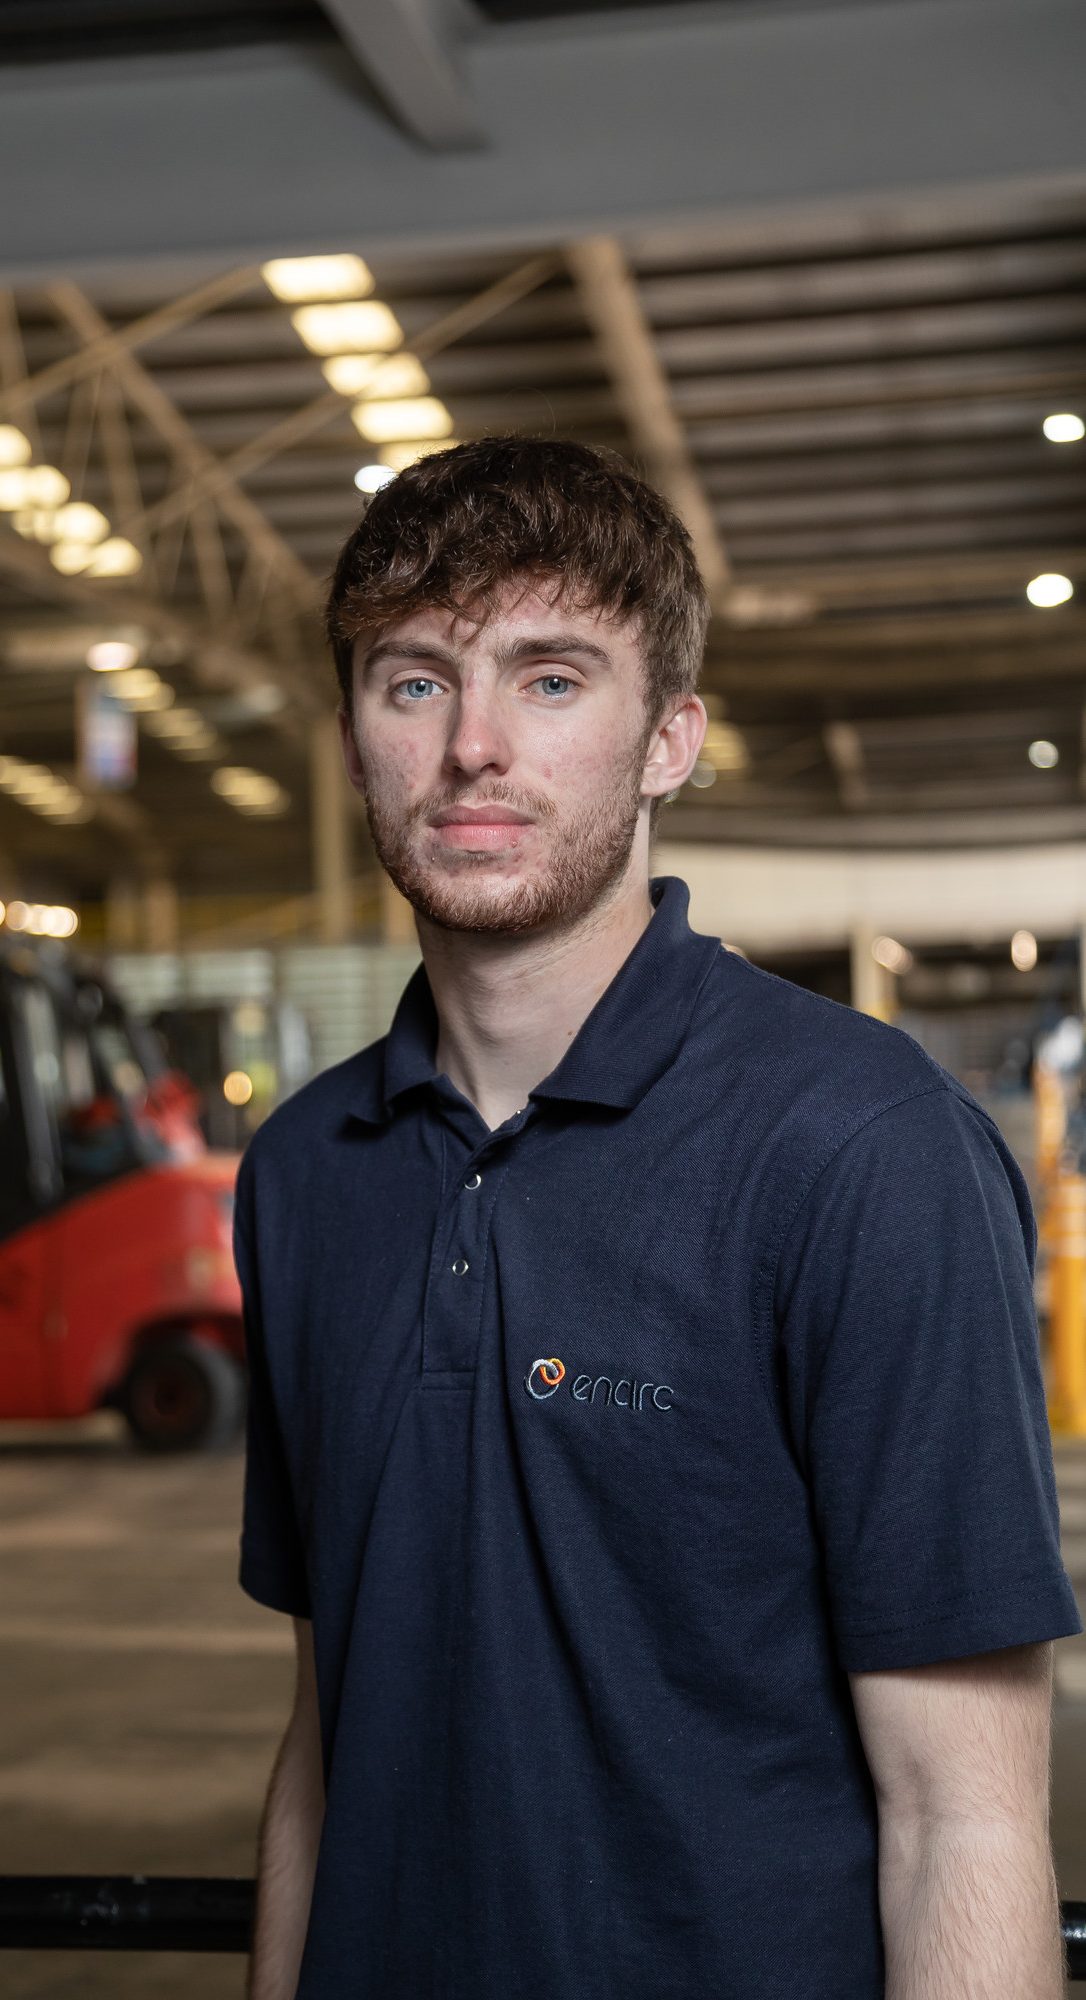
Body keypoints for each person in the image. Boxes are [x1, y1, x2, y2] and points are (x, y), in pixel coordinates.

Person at [236, 436, 1079, 2000]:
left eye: (551, 681)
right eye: (413, 682)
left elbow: (959, 1821)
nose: (473, 745)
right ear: (353, 737)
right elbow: (325, 1735)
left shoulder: (861, 1147)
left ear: (668, 741)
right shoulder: (302, 1173)